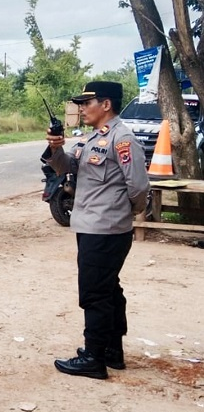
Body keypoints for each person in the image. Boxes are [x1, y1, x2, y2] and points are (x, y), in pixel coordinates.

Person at [44, 81, 149, 379]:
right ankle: (111, 350)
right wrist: (55, 147)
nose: (81, 108)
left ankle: (94, 358)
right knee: (109, 289)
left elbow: (139, 187)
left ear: (105, 105)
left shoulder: (122, 139)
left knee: (95, 293)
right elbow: (66, 167)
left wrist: (123, 212)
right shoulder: (94, 139)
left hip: (106, 228)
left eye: (87, 103)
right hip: (91, 226)